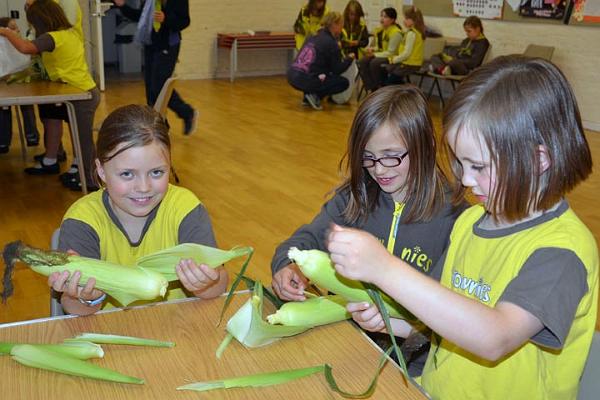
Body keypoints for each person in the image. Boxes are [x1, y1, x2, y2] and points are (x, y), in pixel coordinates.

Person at [327, 56, 598, 399]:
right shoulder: (470, 222)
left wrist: (385, 268)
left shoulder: (562, 251)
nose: (466, 180)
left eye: (479, 166)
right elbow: (444, 319)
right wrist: (393, 323)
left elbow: (494, 336)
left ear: (537, 159)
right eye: (460, 162)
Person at [272, 85, 466, 375]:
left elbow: (456, 319)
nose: (379, 169)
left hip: (416, 370)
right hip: (349, 348)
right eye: (368, 157)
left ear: (424, 144)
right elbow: (307, 239)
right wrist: (287, 265)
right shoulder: (355, 198)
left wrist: (401, 326)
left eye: (391, 155)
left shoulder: (456, 219)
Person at [48, 104, 228, 316]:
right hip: (110, 335)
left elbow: (220, 284)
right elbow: (73, 307)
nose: (143, 187)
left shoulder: (185, 208)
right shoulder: (82, 219)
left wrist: (205, 284)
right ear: (101, 171)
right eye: (127, 174)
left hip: (179, 331)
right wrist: (88, 296)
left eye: (157, 172)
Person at [0, 0, 100, 191]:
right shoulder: (67, 34)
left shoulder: (53, 37)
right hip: (80, 92)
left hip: (82, 96)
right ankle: (84, 175)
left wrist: (6, 32)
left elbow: (26, 48)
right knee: (82, 139)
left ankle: (90, 181)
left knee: (84, 141)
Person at [112, 0, 198, 136]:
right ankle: (159, 125)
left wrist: (166, 19)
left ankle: (186, 113)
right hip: (151, 44)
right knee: (151, 88)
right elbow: (140, 16)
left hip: (168, 44)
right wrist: (123, 6)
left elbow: (184, 21)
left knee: (158, 87)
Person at [287, 12, 354, 111]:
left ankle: (308, 96)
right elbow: (337, 70)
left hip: (292, 75)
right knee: (343, 82)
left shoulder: (312, 36)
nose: (342, 28)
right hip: (306, 79)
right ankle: (315, 95)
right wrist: (349, 59)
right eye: (341, 25)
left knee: (320, 73)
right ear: (334, 24)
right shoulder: (331, 43)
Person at [0, 16, 40, 154]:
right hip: (5, 86)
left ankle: (31, 135)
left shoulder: (22, 44)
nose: (17, 30)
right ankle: (3, 141)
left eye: (16, 27)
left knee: (26, 105)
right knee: (3, 108)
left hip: (21, 84)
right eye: (12, 28)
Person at [384, 7, 425, 85]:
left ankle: (406, 89)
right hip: (409, 63)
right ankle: (404, 86)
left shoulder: (411, 33)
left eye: (406, 18)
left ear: (414, 20)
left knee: (389, 82)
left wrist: (394, 59)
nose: (404, 21)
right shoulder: (415, 32)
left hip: (410, 64)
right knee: (388, 68)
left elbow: (406, 54)